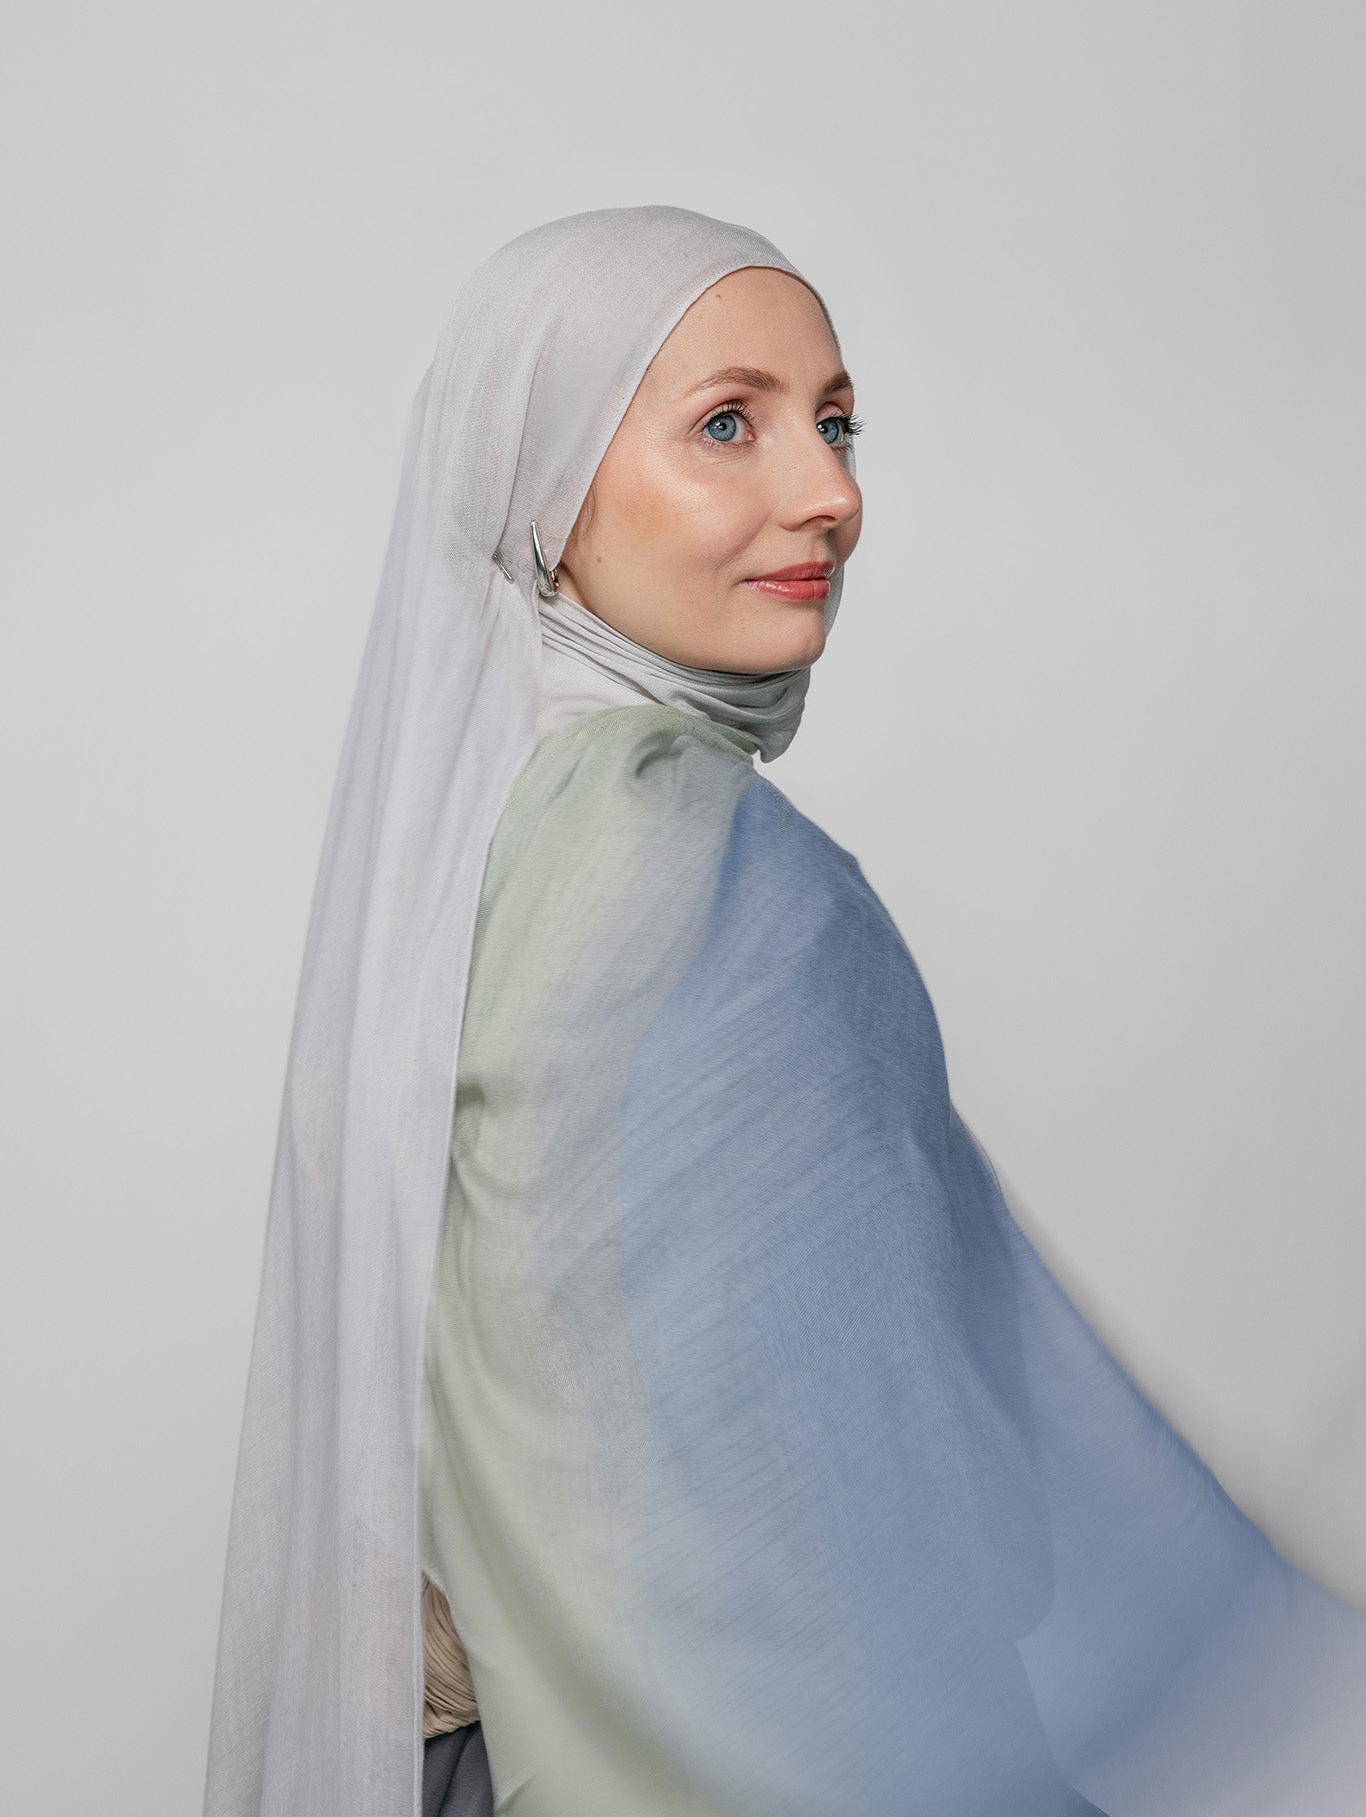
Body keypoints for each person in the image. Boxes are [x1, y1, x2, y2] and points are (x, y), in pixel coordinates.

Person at [203, 207, 1365, 1817]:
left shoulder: (471, 842)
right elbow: (858, 1496)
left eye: (833, 422)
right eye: (725, 425)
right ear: (546, 503)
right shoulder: (713, 871)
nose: (827, 493)